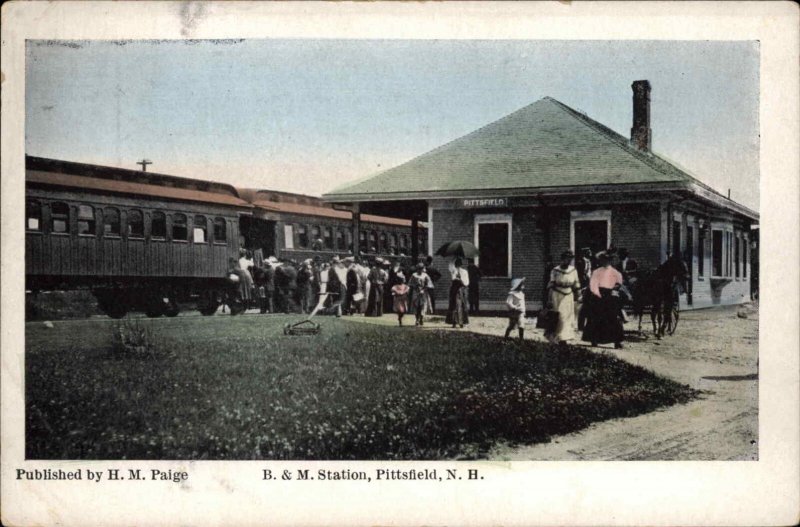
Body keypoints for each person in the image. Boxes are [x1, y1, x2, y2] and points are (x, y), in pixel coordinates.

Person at [582, 251, 625, 349]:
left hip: (610, 296)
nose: (605, 262)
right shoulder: (596, 272)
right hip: (598, 296)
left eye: (607, 260)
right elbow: (593, 284)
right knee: (595, 317)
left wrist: (614, 289)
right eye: (603, 260)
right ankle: (594, 339)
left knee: (613, 318)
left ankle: (617, 341)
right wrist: (597, 293)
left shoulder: (615, 272)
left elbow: (618, 283)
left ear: (610, 261)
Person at [545, 251, 581, 344]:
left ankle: (564, 337)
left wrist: (579, 295)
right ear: (562, 259)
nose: (568, 261)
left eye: (570, 259)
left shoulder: (573, 270)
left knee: (567, 316)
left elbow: (576, 284)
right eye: (567, 258)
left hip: (568, 295)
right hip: (557, 295)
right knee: (559, 316)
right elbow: (551, 285)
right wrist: (549, 300)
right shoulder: (555, 270)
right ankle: (555, 337)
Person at [445, 258, 470, 328]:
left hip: (462, 290)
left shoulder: (464, 272)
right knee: (454, 306)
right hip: (454, 290)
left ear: (461, 265)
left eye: (458, 265)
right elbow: (453, 278)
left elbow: (466, 282)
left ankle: (462, 322)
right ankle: (454, 322)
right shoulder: (454, 271)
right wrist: (456, 277)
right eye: (456, 265)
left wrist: (461, 279)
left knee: (462, 306)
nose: (457, 267)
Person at [504, 277, 526, 342]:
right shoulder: (512, 294)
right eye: (521, 285)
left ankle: (521, 339)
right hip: (514, 313)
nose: (523, 286)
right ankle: (506, 337)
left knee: (521, 325)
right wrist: (513, 307)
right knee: (511, 326)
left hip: (521, 313)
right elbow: (508, 302)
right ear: (517, 286)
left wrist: (524, 311)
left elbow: (523, 304)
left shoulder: (522, 294)